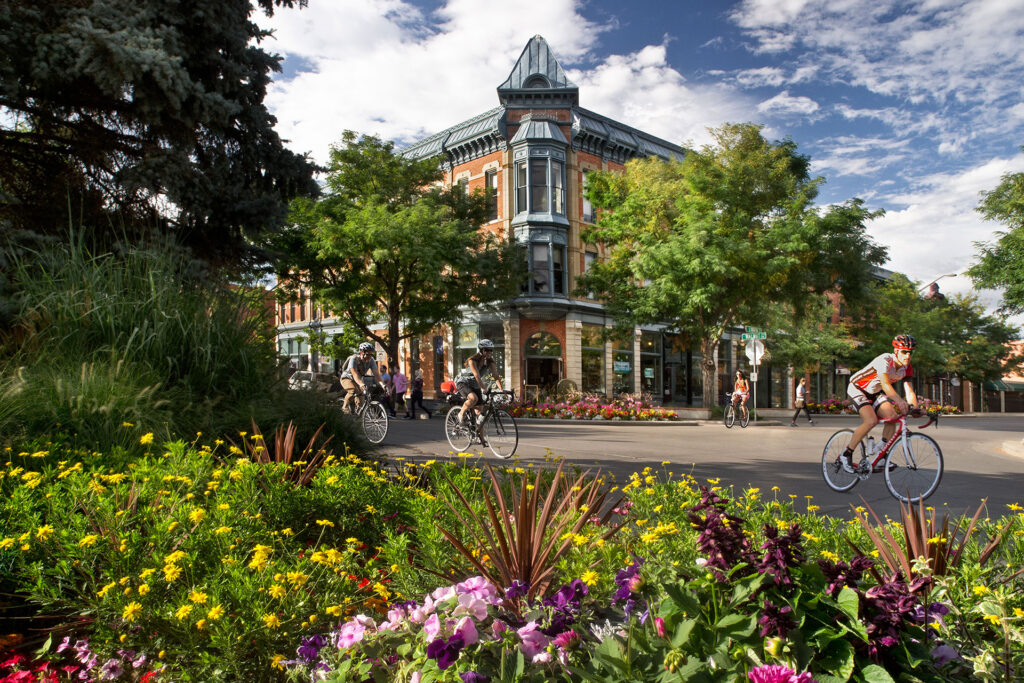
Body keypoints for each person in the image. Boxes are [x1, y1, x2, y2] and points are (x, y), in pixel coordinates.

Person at [841, 334, 920, 472]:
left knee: (892, 417)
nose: (908, 356)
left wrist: (916, 408)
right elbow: (885, 384)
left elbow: (909, 392)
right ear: (896, 351)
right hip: (858, 388)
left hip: (875, 392)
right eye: (904, 352)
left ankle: (880, 454)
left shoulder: (907, 368)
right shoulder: (885, 360)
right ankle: (846, 454)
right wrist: (899, 401)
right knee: (870, 421)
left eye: (910, 352)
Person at [455, 339, 503, 431]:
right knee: (473, 398)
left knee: (479, 413)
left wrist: (501, 390)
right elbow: (477, 375)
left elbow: (496, 375)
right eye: (486, 350)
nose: (489, 352)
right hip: (463, 382)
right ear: (481, 350)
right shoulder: (472, 361)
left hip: (475, 384)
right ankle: (461, 414)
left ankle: (479, 435)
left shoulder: (490, 361)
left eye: (491, 350)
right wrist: (484, 388)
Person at [339, 342, 383, 414]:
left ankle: (358, 415)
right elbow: (354, 374)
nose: (369, 356)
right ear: (361, 352)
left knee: (361, 397)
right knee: (353, 390)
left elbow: (376, 374)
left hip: (358, 380)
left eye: (371, 354)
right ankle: (345, 406)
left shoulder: (371, 360)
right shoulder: (354, 359)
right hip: (347, 378)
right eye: (368, 354)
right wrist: (361, 384)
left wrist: (383, 385)